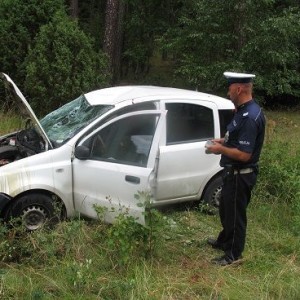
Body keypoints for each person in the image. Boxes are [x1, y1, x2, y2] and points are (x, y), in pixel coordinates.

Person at [205, 71, 265, 266]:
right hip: (232, 172)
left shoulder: (250, 116)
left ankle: (233, 255)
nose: (228, 92)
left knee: (235, 215)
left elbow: (245, 154)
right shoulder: (241, 110)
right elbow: (237, 139)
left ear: (239, 89)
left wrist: (220, 149)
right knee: (225, 210)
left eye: (230, 89)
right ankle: (224, 241)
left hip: (242, 175)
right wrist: (222, 141)